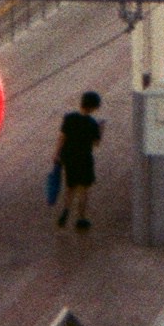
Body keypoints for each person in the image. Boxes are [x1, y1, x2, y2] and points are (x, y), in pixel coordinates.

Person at [53, 90, 103, 232]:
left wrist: (56, 154)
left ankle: (65, 211)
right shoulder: (92, 123)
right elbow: (96, 143)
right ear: (93, 107)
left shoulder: (69, 118)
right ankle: (81, 218)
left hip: (69, 157)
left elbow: (62, 137)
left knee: (70, 187)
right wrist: (101, 129)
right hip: (85, 159)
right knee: (84, 190)